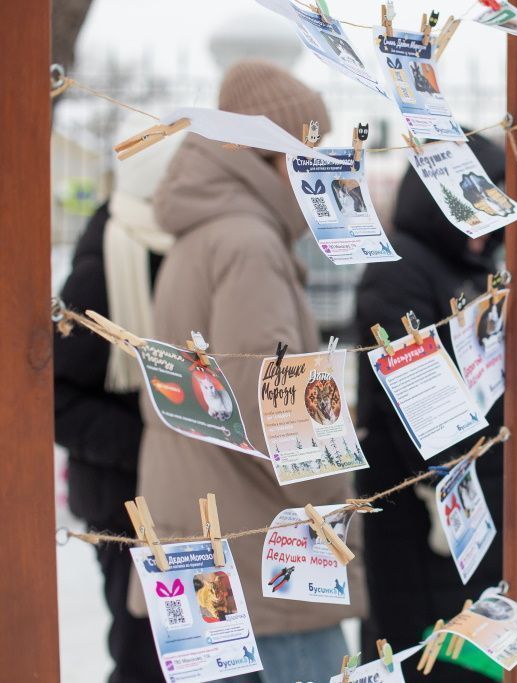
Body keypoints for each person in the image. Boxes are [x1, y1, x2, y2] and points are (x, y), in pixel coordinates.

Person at [129, 60, 364, 682]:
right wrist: (334, 492)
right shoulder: (247, 243)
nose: (317, 177)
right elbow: (272, 405)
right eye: (307, 154)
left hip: (207, 531)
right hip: (260, 548)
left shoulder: (207, 231)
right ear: (274, 155)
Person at [354, 134, 507, 683]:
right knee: (423, 651)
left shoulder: (468, 267)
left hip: (468, 501)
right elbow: (415, 402)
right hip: (422, 511)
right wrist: (448, 485)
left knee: (465, 650)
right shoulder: (399, 269)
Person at [53, 121, 182, 683]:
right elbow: (53, 398)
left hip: (180, 496)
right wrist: (148, 442)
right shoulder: (104, 265)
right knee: (141, 657)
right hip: (122, 502)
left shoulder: (181, 246)